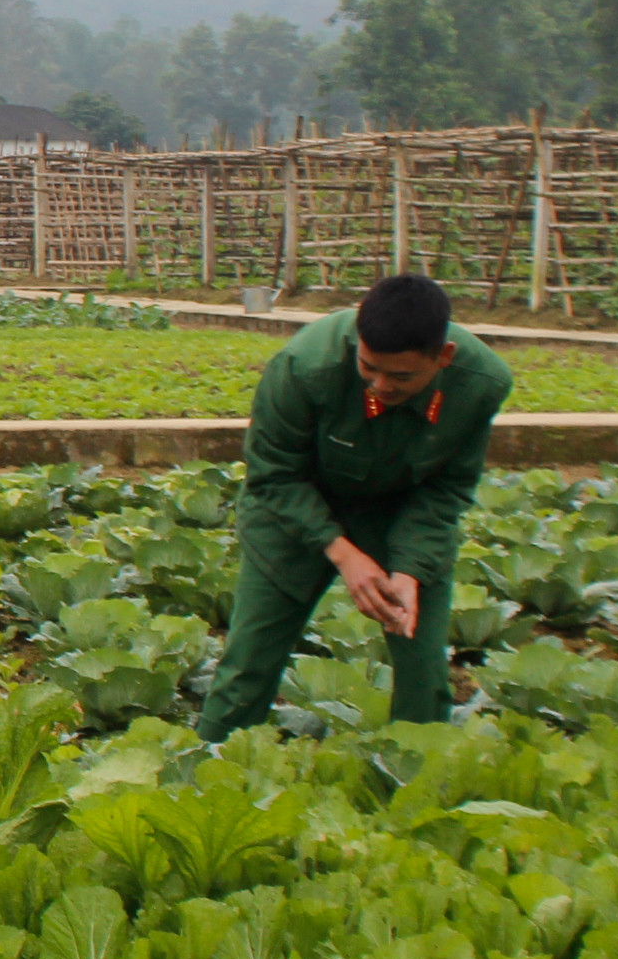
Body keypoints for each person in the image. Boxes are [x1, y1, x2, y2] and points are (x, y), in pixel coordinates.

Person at [197, 271, 514, 741]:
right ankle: (211, 767)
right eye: (368, 367)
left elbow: (447, 489)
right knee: (250, 660)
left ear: (443, 357)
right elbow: (274, 475)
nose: (380, 385)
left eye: (400, 376)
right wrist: (344, 554)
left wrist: (409, 569)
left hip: (400, 513)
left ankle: (417, 778)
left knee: (423, 664)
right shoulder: (304, 366)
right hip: (294, 510)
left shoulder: (480, 384)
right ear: (356, 344)